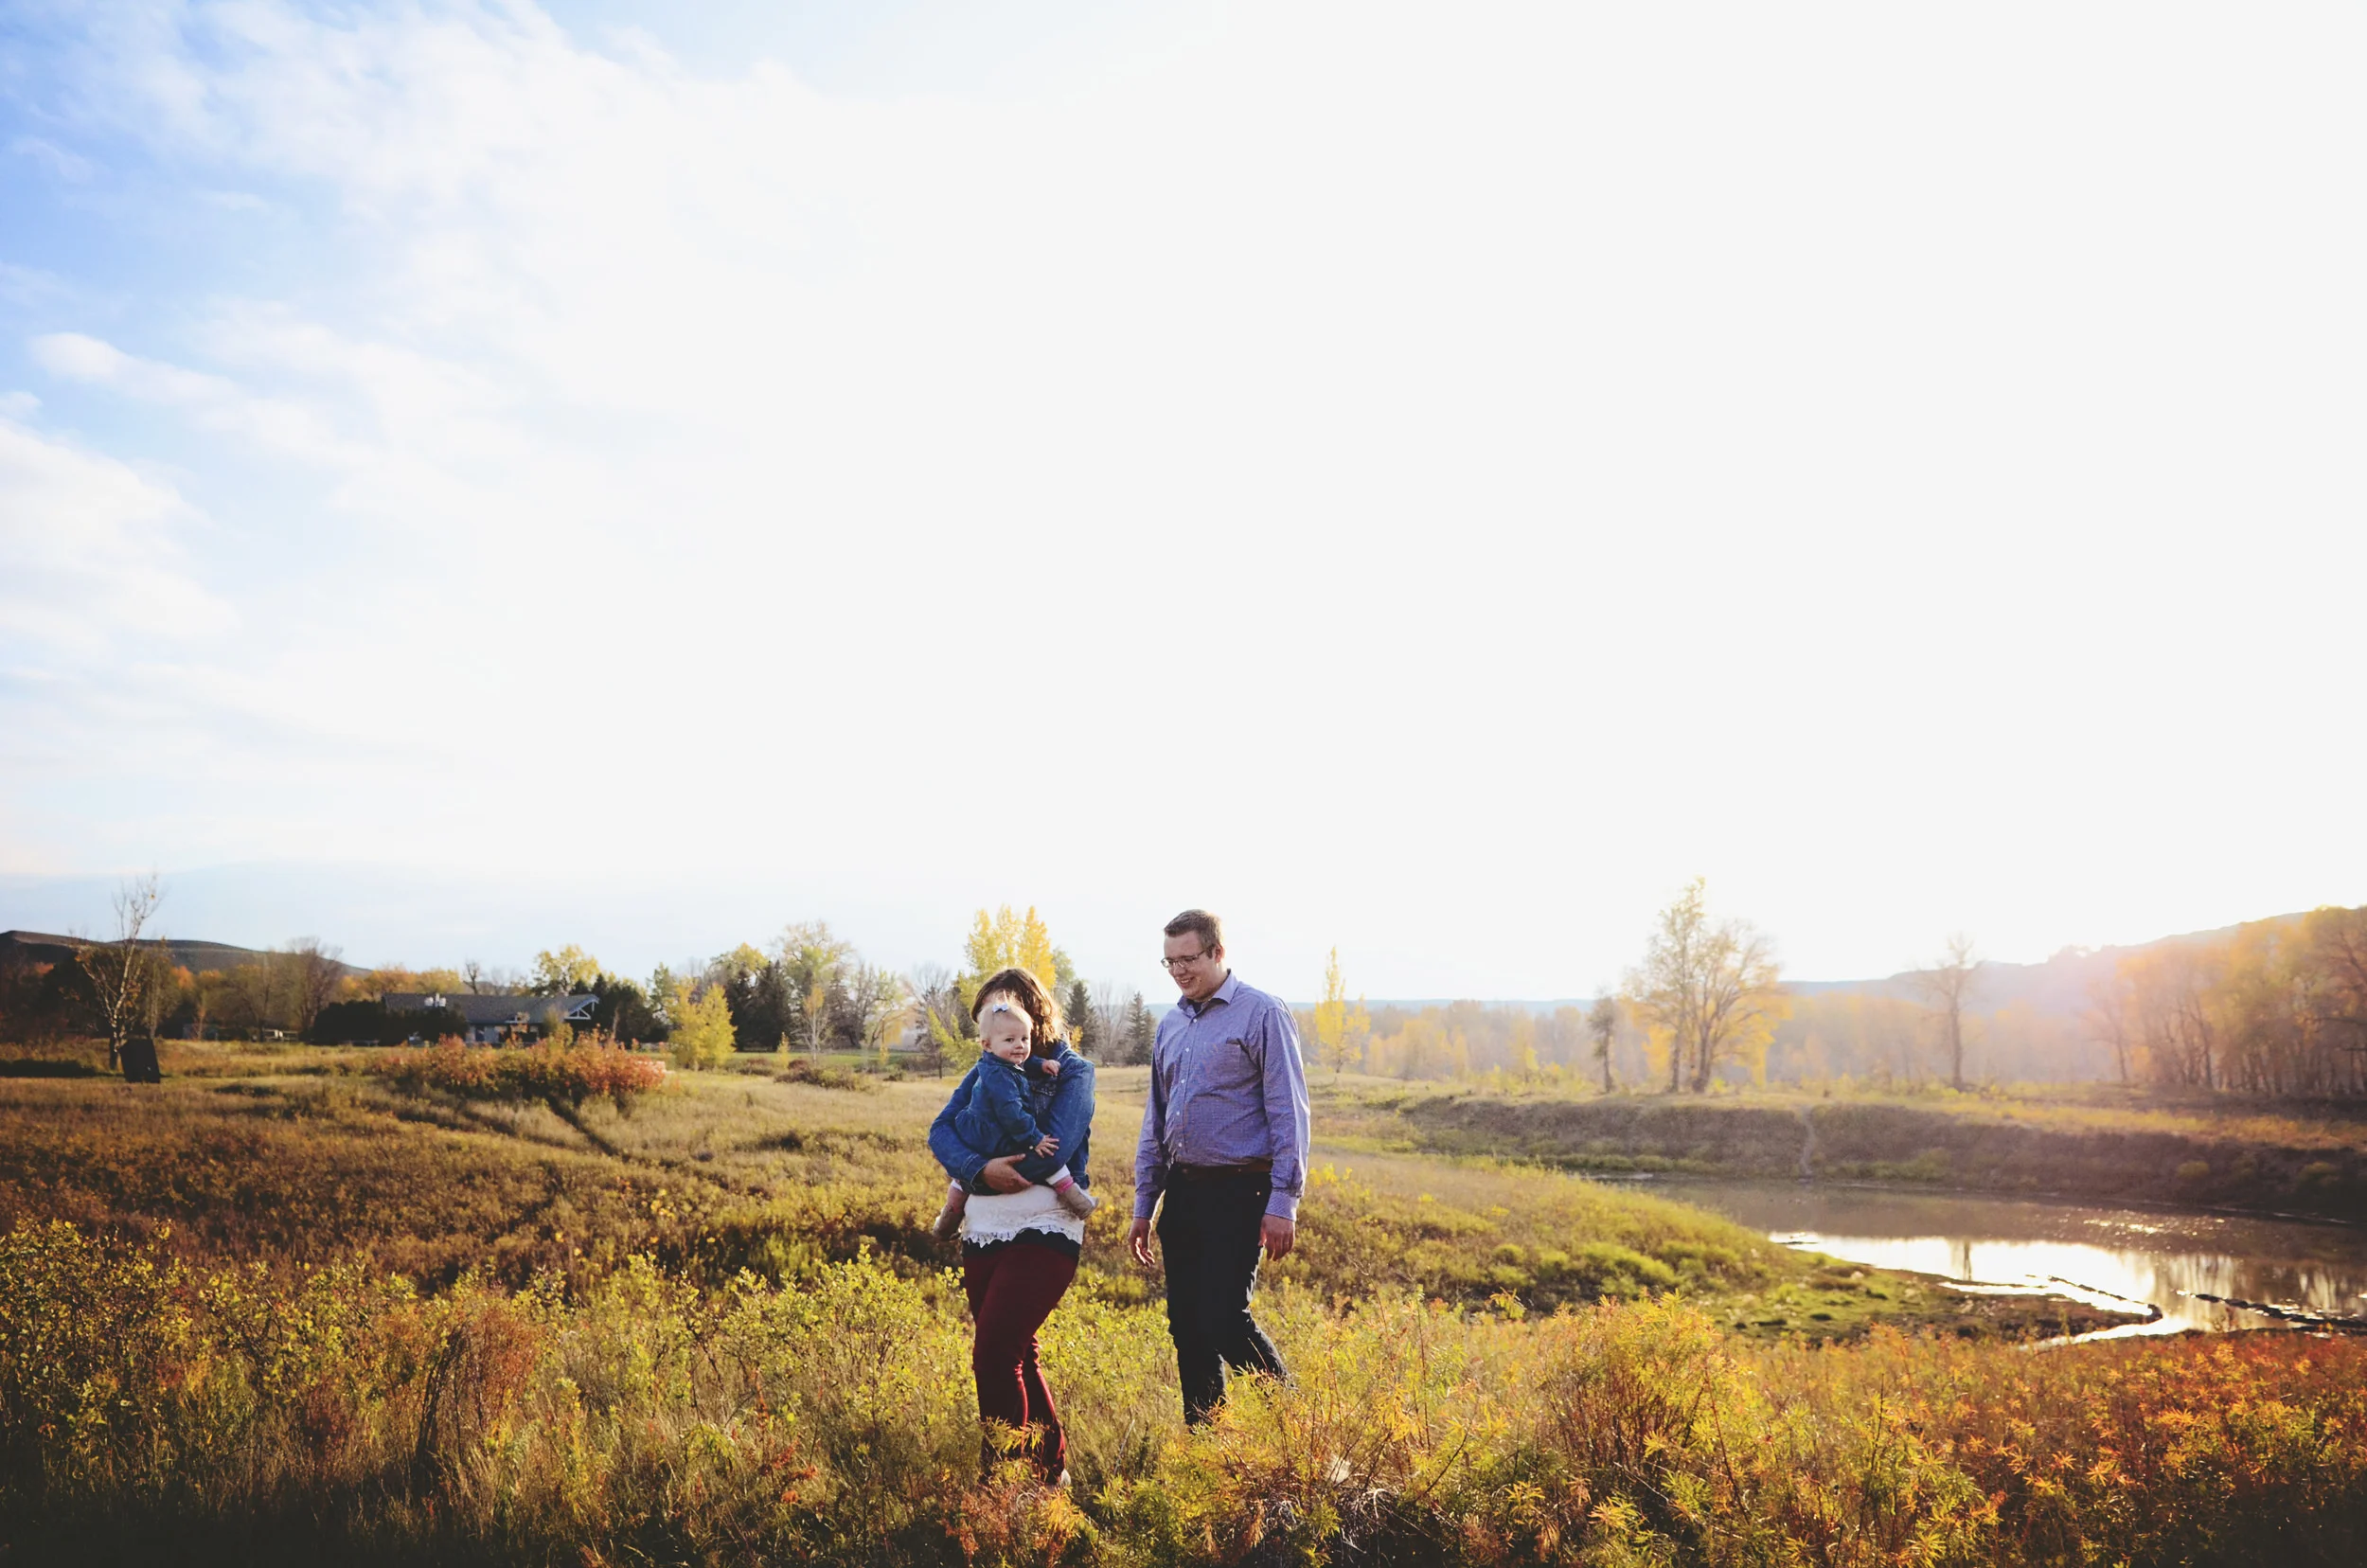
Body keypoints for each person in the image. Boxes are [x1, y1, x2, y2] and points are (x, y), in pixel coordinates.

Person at [1129, 909, 1312, 1424]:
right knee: (1187, 1327)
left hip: (1242, 1190)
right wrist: (1144, 1205)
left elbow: (1289, 1111)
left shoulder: (1262, 1013)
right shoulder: (1170, 1024)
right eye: (1169, 962)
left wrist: (1284, 1202)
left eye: (1188, 959)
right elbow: (1156, 1119)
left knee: (1223, 1319)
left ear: (1217, 953)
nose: (1179, 971)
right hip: (1184, 1192)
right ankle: (1209, 1444)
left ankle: (1296, 1424)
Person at [926, 967, 1098, 1483]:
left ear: (1034, 1012)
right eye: (989, 1017)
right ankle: (1050, 1475)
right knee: (1018, 1351)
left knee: (995, 1354)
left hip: (1046, 1222)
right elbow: (941, 1130)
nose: (1002, 1026)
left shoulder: (1073, 1072)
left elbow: (1057, 1149)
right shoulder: (985, 1068)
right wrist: (980, 1170)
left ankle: (1001, 1480)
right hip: (984, 1224)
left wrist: (992, 1167)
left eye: (1006, 1010)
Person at [932, 999, 1097, 1242]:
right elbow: (1012, 1114)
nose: (1019, 1045)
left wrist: (1042, 1064)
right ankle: (1075, 1198)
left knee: (962, 1179)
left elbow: (1023, 1062)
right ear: (987, 1044)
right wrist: (1034, 1138)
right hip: (992, 1133)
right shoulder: (998, 1074)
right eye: (1010, 1040)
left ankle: (948, 1218)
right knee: (1044, 1150)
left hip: (984, 1134)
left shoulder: (1002, 1060)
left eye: (1024, 1039)